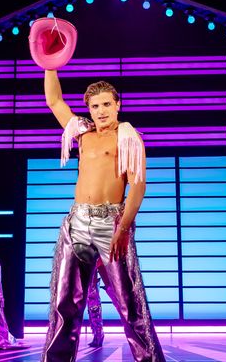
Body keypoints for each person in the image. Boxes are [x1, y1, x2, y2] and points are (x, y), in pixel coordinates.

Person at [41, 72, 164, 362]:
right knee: (64, 304)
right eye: (95, 106)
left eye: (107, 104)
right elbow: (54, 101)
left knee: (130, 303)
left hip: (112, 223)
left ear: (118, 105)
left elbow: (138, 185)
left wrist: (123, 228)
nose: (101, 111)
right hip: (77, 223)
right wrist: (50, 64)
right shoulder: (83, 134)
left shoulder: (128, 137)